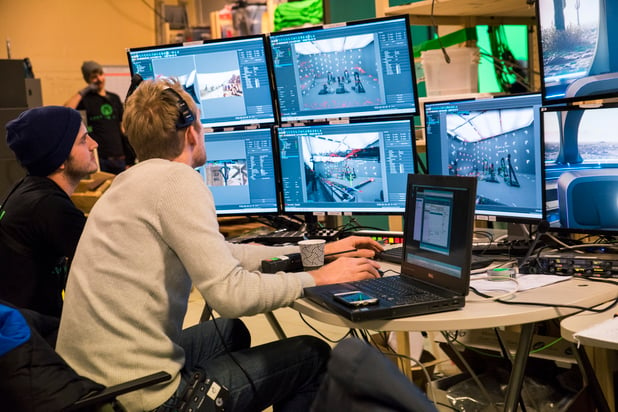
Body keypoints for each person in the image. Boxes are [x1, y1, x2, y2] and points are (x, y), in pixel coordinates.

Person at [56, 78, 384, 412]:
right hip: (139, 397)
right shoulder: (177, 182)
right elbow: (230, 294)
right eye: (201, 122)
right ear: (190, 133)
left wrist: (319, 252)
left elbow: (228, 253)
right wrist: (318, 278)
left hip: (92, 386)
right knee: (312, 355)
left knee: (230, 333)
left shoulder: (128, 181)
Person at [0, 106, 99, 318]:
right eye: (83, 140)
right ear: (60, 159)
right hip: (36, 340)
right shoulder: (50, 207)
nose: (94, 145)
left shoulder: (28, 189)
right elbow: (112, 267)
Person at [64, 60, 134, 174]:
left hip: (120, 159)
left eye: (101, 74)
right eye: (94, 77)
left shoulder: (114, 98)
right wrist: (84, 91)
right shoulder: (86, 100)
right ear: (88, 80)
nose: (99, 79)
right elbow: (67, 110)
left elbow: (123, 128)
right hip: (101, 159)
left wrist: (130, 158)